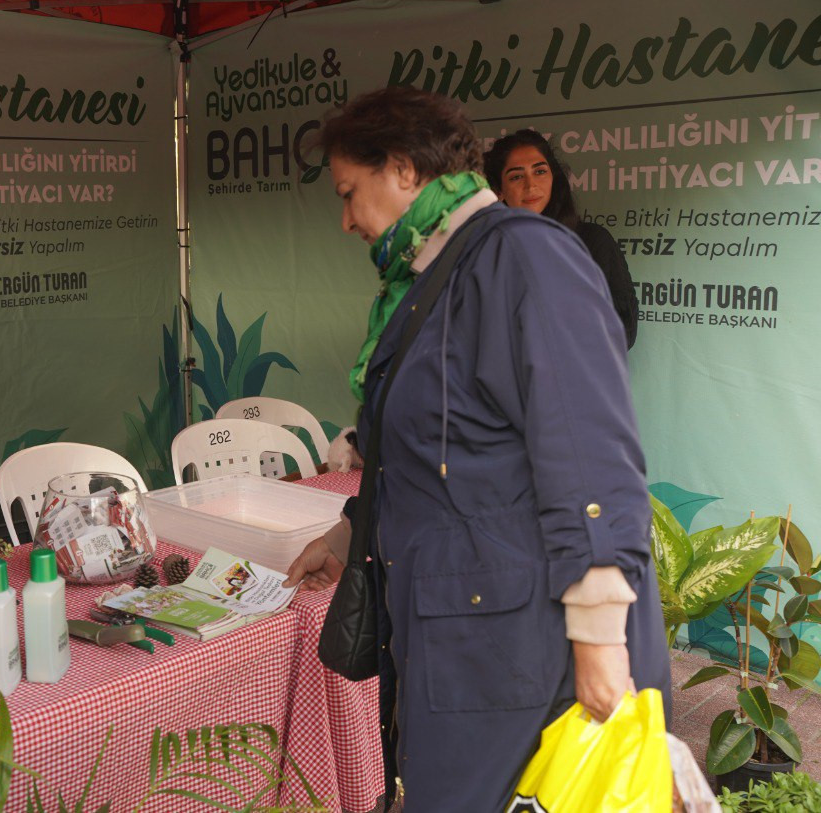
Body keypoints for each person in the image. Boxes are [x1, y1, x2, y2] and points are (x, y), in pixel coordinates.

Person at [283, 87, 669, 811]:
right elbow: (429, 450)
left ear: (403, 168)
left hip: (526, 650)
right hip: (462, 635)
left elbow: (589, 450)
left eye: (348, 193)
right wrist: (349, 536)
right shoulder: (432, 275)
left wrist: (600, 643)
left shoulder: (524, 255)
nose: (346, 220)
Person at [483, 129, 639, 348]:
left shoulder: (592, 241)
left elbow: (623, 330)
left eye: (540, 171)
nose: (530, 185)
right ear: (499, 190)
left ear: (553, 178)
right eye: (516, 176)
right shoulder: (487, 247)